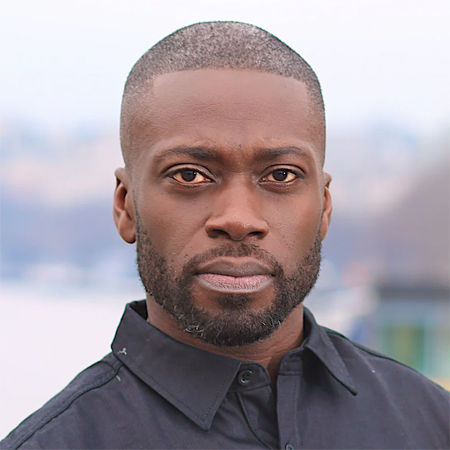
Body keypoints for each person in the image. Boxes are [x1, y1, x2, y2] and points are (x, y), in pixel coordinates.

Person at [1, 21, 448, 450]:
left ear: (324, 207)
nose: (238, 218)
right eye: (189, 175)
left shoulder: (433, 424)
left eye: (281, 175)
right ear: (125, 206)